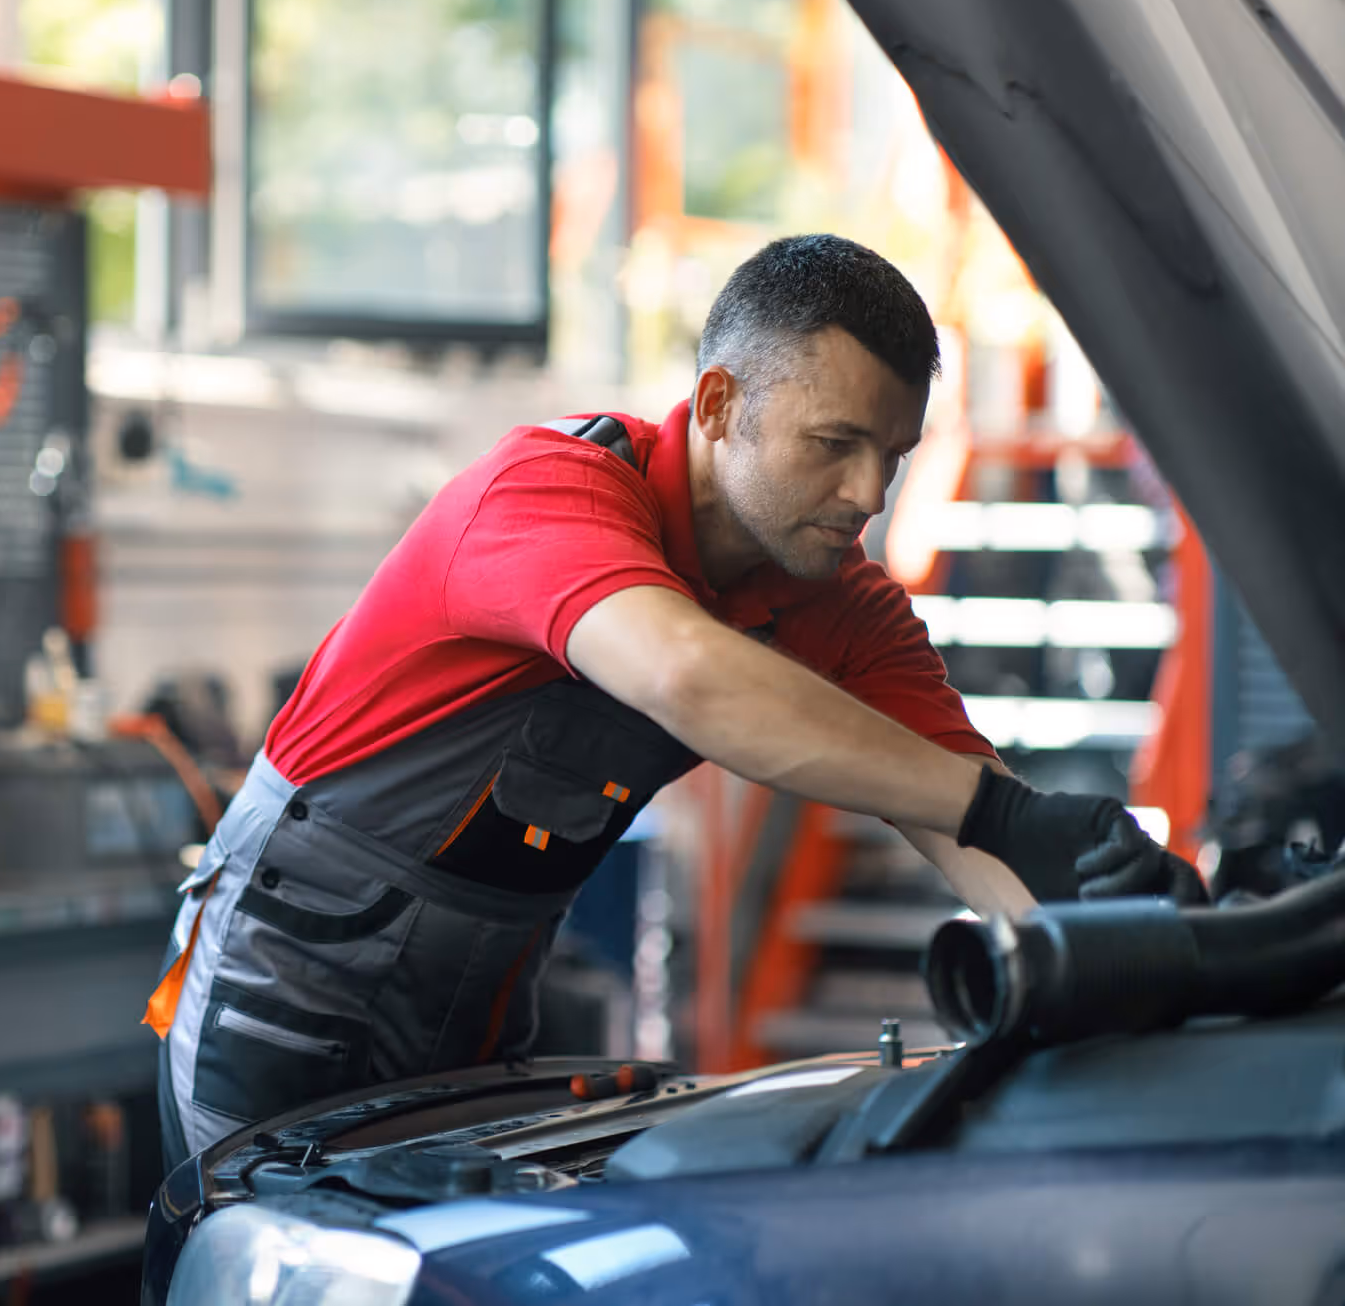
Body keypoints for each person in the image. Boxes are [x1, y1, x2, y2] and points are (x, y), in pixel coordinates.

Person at [143, 233, 1205, 1166]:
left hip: (485, 988)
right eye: (834, 445)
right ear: (717, 405)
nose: (868, 497)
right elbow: (687, 674)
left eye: (892, 455)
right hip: (290, 973)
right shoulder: (550, 494)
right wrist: (1002, 811)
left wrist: (1136, 945)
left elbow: (967, 826)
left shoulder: (841, 604)